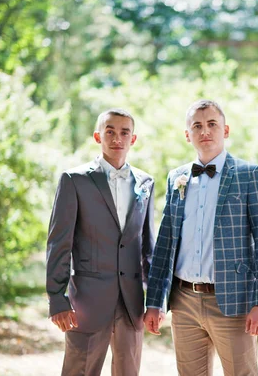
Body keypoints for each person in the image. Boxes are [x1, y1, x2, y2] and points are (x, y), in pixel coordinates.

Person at [144, 99, 258, 376]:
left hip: (232, 300)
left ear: (225, 130)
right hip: (184, 302)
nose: (205, 131)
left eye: (212, 124)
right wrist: (155, 301)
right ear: (187, 134)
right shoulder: (176, 178)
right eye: (197, 126)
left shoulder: (249, 175)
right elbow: (166, 242)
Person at [46, 108, 155, 376]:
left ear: (133, 139)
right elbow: (59, 243)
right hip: (87, 300)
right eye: (110, 131)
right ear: (98, 136)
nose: (117, 138)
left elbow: (148, 248)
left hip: (131, 302)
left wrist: (154, 300)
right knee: (79, 371)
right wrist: (56, 298)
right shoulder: (75, 180)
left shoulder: (145, 182)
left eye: (124, 132)